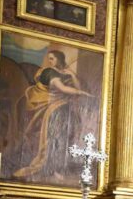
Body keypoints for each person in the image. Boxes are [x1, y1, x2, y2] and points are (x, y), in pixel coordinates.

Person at [14, 49, 93, 179]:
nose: (49, 61)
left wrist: (72, 75)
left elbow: (77, 87)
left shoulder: (65, 73)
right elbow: (63, 88)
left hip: (64, 109)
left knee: (65, 138)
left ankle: (58, 168)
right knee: (53, 139)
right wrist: (82, 93)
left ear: (59, 60)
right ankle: (51, 168)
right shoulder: (48, 72)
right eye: (48, 58)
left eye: (52, 58)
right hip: (54, 110)